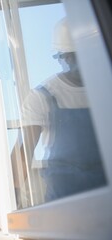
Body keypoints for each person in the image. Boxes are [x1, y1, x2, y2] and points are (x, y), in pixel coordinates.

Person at [11, 17, 106, 205]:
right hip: (66, 196)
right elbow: (23, 152)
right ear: (66, 57)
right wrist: (13, 194)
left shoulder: (105, 88)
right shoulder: (43, 96)